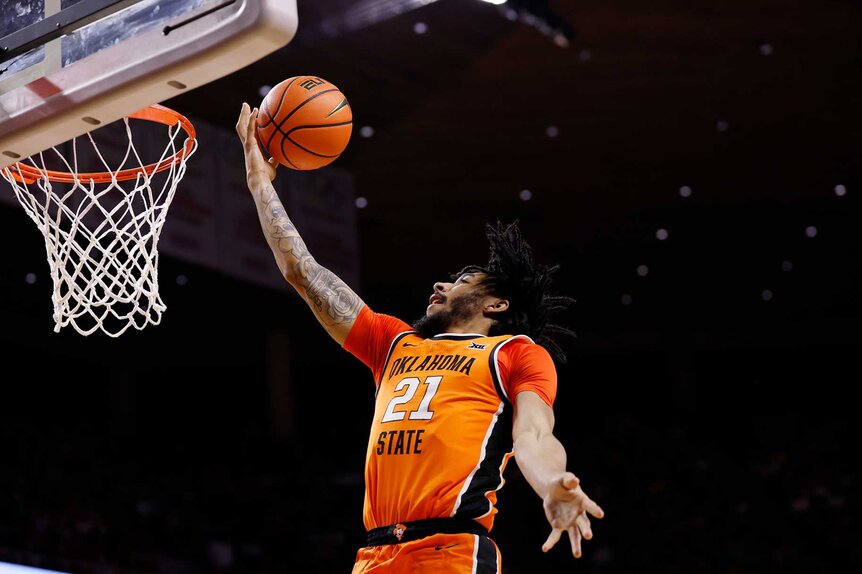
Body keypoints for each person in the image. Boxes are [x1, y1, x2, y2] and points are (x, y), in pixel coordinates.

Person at [235, 103, 604, 573]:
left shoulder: (514, 353)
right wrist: (259, 184)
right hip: (372, 555)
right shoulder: (392, 343)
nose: (441, 285)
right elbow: (303, 272)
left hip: (448, 550)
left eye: (462, 280)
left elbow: (533, 434)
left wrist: (553, 483)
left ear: (497, 306)